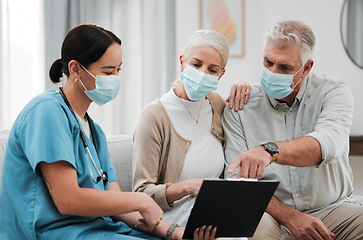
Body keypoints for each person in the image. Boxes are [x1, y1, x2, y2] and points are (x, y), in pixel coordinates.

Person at [0, 24, 213, 240]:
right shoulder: (46, 112)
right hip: (54, 233)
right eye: (108, 71)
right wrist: (140, 200)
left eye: (118, 70)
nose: (114, 78)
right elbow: (68, 200)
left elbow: (117, 205)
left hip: (101, 229)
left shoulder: (95, 133)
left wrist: (173, 232)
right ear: (75, 69)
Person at [223, 20, 363, 240]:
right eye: (268, 62)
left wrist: (269, 151)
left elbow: (328, 145)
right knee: (248, 227)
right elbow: (238, 182)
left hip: (333, 210)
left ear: (306, 67)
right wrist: (290, 217)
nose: (272, 72)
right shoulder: (241, 106)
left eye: (285, 67)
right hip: (272, 215)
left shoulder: (333, 91)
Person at [132, 29, 251, 229]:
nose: (202, 73)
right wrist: (187, 187)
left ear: (221, 75)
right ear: (182, 62)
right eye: (196, 64)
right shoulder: (153, 116)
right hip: (170, 217)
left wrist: (244, 86)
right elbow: (140, 193)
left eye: (212, 70)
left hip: (211, 211)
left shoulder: (216, 105)